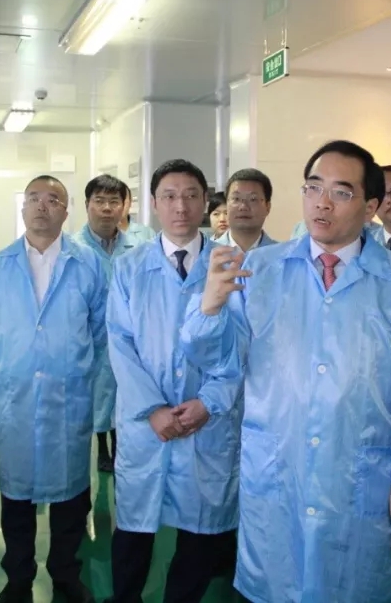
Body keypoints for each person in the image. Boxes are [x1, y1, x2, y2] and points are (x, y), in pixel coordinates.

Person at [183, 140, 391, 603]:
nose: (322, 202)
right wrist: (210, 308)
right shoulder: (259, 270)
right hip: (277, 471)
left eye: (341, 192)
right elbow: (218, 363)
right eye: (313, 187)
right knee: (275, 586)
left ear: (371, 207)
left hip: (360, 479)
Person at [107, 159, 243, 603]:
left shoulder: (230, 263)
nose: (180, 206)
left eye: (190, 195)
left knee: (200, 534)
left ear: (205, 201)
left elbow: (243, 347)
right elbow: (120, 344)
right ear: (153, 203)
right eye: (169, 196)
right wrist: (152, 409)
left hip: (207, 419)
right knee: (134, 528)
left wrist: (209, 402)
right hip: (146, 423)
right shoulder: (129, 267)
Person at [0, 175, 106, 603]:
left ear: (66, 211)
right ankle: (18, 578)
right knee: (16, 498)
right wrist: (11, 364)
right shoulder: (0, 265)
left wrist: (74, 367)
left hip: (69, 397)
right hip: (15, 397)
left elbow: (101, 328)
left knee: (71, 498)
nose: (41, 206)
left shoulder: (87, 264)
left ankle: (65, 574)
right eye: (34, 198)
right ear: (23, 208)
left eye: (53, 199)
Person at [75, 174, 140, 473]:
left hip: (128, 339)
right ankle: (101, 446)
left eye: (114, 201)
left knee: (123, 396)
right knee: (95, 400)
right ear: (87, 205)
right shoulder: (72, 249)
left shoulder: (138, 247)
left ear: (124, 206)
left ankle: (119, 447)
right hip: (89, 339)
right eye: (99, 201)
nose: (106, 208)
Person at [213, 168, 277, 251]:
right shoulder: (206, 254)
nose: (243, 206)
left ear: (267, 207)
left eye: (253, 199)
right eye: (236, 199)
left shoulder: (283, 255)